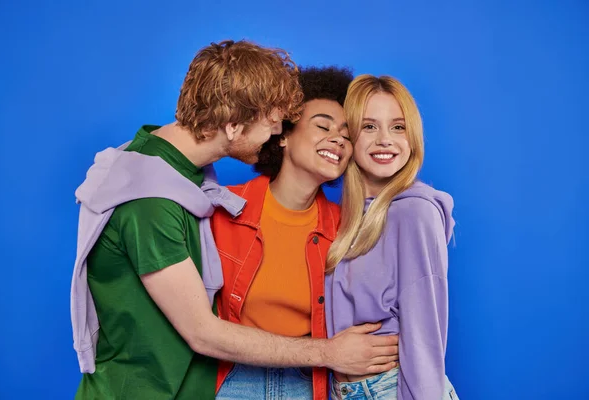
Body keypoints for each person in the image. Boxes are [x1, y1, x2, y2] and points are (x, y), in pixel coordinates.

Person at [70, 41, 397, 400]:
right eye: (272, 120)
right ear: (232, 122)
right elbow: (203, 332)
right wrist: (330, 353)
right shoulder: (150, 199)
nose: (275, 131)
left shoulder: (180, 179)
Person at [211, 67, 400, 400]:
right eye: (323, 126)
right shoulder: (223, 209)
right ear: (283, 134)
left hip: (309, 383)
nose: (338, 139)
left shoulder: (348, 231)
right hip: (232, 380)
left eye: (347, 134)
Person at [325, 74, 459, 400]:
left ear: (412, 137)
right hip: (349, 391)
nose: (385, 139)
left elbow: (425, 336)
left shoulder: (414, 212)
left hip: (394, 389)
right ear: (349, 136)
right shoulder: (350, 220)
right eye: (369, 126)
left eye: (398, 127)